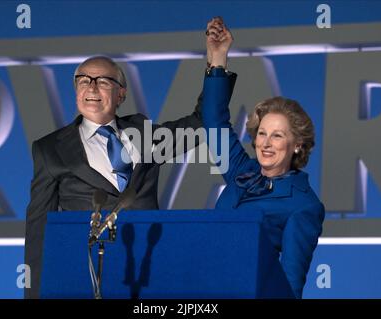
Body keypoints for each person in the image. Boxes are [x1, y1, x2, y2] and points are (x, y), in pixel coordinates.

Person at [24, 55, 237, 298]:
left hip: (150, 271)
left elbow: (201, 123)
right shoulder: (50, 149)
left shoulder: (143, 135)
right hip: (88, 277)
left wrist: (217, 63)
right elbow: (38, 230)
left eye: (102, 81)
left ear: (121, 95)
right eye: (83, 80)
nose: (91, 87)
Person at [202, 17, 325, 298]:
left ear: (297, 145)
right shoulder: (240, 171)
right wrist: (218, 57)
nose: (266, 144)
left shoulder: (304, 205)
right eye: (262, 134)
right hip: (203, 288)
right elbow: (213, 121)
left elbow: (289, 283)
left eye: (278, 136)